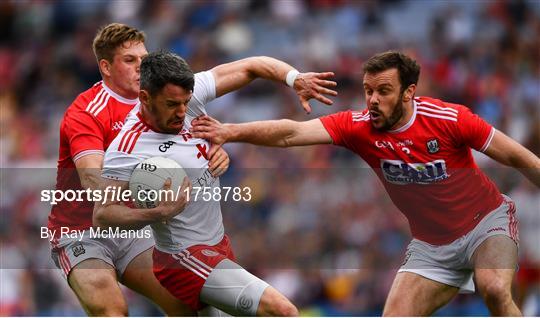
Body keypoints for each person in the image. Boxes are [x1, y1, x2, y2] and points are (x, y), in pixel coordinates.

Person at [191, 51, 540, 316]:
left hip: (486, 223)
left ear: (409, 93)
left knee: (493, 288)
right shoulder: (358, 128)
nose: (372, 99)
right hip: (432, 247)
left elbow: (519, 158)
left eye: (384, 91)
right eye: (368, 90)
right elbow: (291, 133)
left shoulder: (450, 119)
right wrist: (230, 131)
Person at [49, 23, 337, 316]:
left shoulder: (169, 93)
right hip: (83, 230)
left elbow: (245, 72)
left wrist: (211, 149)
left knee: (186, 309)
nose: (140, 67)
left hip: (138, 228)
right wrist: (156, 190)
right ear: (105, 67)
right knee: (112, 310)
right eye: (129, 60)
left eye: (143, 59)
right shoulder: (88, 113)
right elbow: (95, 185)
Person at [93, 51, 304, 316]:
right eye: (172, 104)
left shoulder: (189, 97)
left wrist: (295, 78)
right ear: (145, 97)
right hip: (182, 259)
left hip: (218, 245)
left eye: (186, 101)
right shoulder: (125, 149)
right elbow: (103, 215)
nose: (183, 112)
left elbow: (252, 66)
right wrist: (157, 213)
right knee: (283, 311)